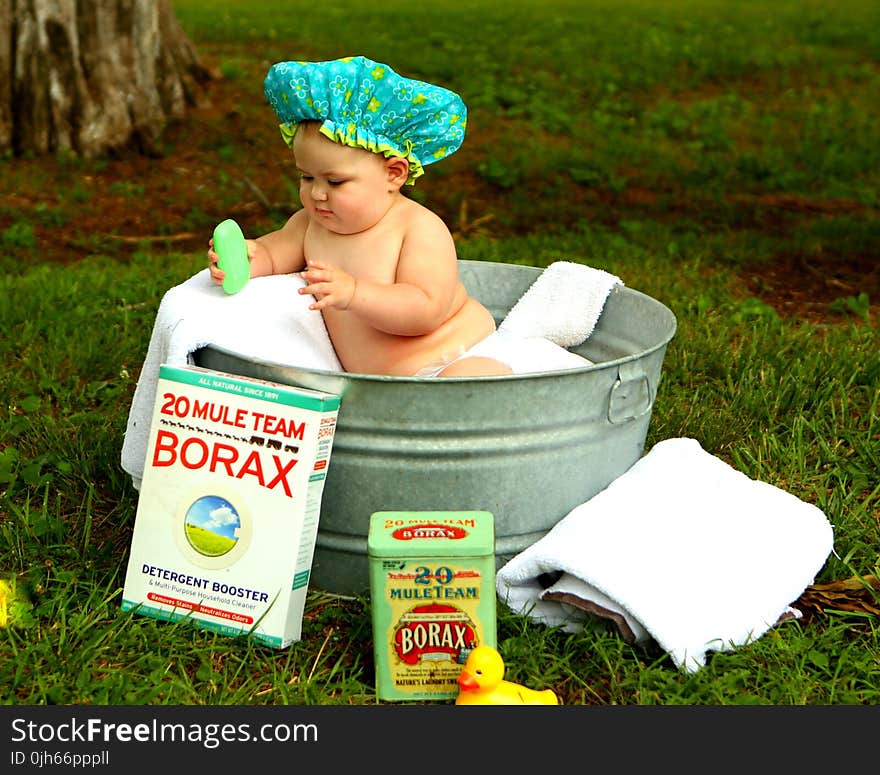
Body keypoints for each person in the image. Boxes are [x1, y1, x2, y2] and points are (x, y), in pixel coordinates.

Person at [207, 55, 513, 378]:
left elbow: (425, 309)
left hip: (455, 354)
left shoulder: (417, 229)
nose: (317, 194)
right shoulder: (311, 224)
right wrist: (243, 260)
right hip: (384, 385)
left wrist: (354, 293)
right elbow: (273, 254)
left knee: (474, 381)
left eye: (335, 182)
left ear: (393, 174)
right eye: (307, 178)